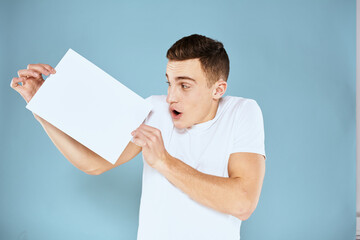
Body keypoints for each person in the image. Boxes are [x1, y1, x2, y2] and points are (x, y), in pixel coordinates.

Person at [10, 34, 266, 240]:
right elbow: (94, 164)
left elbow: (243, 203)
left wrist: (164, 162)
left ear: (218, 89)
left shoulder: (242, 112)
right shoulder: (155, 110)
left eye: (184, 85)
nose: (171, 97)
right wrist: (42, 108)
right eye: (169, 82)